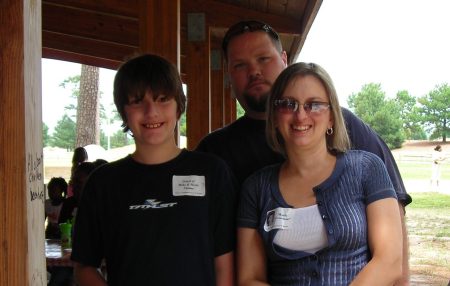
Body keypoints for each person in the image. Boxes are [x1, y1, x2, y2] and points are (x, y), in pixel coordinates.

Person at [196, 20, 411, 284]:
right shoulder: (219, 155)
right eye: (240, 65)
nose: (301, 115)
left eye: (263, 58)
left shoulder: (357, 144)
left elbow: (393, 231)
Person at [71, 54, 236, 286]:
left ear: (179, 106)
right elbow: (84, 267)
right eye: (137, 101)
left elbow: (224, 262)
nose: (151, 112)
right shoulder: (103, 183)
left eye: (162, 99)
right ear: (124, 111)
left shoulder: (212, 172)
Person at [237, 62, 403, 285]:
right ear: (275, 117)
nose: (301, 115)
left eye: (314, 105)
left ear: (332, 117)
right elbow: (250, 278)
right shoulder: (256, 188)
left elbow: (389, 261)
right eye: (288, 104)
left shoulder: (366, 168)